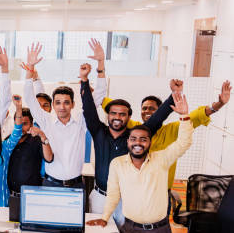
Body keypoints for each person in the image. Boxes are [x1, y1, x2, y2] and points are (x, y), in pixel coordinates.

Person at [80, 39, 175, 228]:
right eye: (113, 113)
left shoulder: (135, 137)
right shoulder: (99, 131)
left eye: (122, 114)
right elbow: (89, 108)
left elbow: (157, 119)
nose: (117, 117)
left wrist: (174, 96)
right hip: (100, 197)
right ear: (108, 116)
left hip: (128, 198)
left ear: (129, 117)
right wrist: (84, 80)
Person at [87, 92, 195, 233]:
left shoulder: (162, 159)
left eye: (143, 139)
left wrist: (184, 115)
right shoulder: (117, 163)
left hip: (159, 229)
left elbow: (183, 143)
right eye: (133, 139)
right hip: (130, 227)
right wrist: (105, 217)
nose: (138, 143)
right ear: (128, 142)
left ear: (150, 142)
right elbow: (113, 194)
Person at [96, 80, 231, 190]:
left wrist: (218, 104)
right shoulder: (134, 127)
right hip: (136, 188)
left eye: (152, 109)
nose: (147, 111)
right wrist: (90, 92)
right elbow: (114, 110)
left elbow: (197, 116)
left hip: (160, 190)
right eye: (144, 108)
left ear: (160, 112)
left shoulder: (172, 129)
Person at [21, 44, 86, 188]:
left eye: (66, 103)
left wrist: (95, 73)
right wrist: (30, 69)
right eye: (58, 102)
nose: (62, 107)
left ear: (73, 104)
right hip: (51, 183)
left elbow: (96, 100)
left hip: (76, 185)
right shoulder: (46, 119)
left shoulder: (81, 121)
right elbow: (29, 97)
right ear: (53, 105)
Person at [7, 108, 54, 194]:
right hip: (11, 194)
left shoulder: (37, 141)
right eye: (18, 123)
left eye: (24, 124)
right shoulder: (9, 140)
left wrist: (42, 136)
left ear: (31, 124)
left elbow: (49, 158)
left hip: (32, 194)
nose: (21, 127)